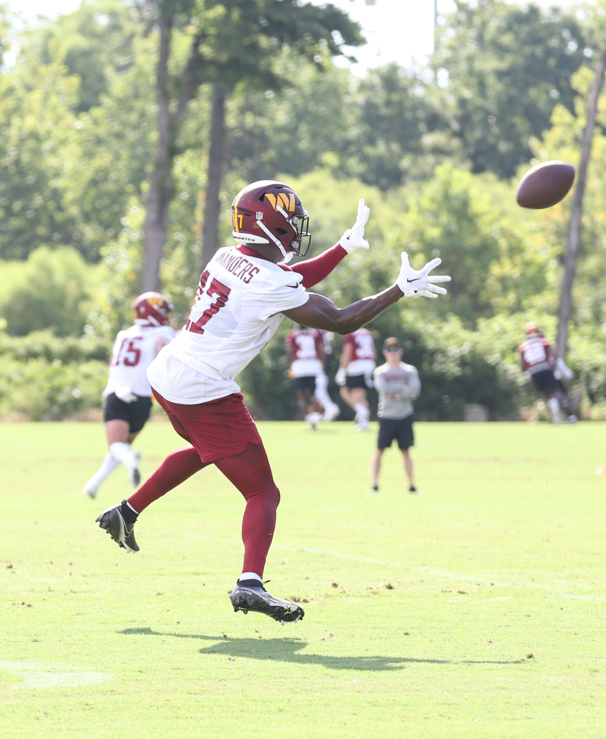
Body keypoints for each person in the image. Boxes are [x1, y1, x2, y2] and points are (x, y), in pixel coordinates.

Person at [95, 182, 449, 624]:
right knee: (263, 490)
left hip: (169, 375)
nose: (297, 230)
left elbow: (290, 280)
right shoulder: (267, 282)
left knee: (206, 452)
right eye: (291, 221)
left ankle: (125, 512)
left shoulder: (227, 255)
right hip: (204, 386)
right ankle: (250, 584)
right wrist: (398, 289)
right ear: (270, 225)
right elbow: (339, 321)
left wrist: (344, 247)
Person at [83, 292, 176, 498]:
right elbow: (168, 358)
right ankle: (93, 486)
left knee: (117, 447)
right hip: (142, 398)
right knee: (122, 446)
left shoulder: (123, 334)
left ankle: (130, 460)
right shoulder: (164, 332)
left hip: (117, 392)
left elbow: (113, 363)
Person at [370, 338, 420, 494]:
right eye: (390, 350)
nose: (393, 353)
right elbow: (384, 389)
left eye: (396, 350)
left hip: (405, 415)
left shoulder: (410, 370)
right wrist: (402, 389)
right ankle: (374, 485)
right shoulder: (381, 371)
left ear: (401, 351)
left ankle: (411, 485)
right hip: (387, 415)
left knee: (406, 451)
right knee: (380, 450)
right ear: (385, 353)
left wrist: (398, 394)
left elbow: (415, 390)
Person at [519, 322, 572, 424]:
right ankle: (558, 409)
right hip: (546, 368)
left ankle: (555, 414)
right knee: (555, 392)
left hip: (533, 372)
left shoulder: (523, 347)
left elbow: (523, 366)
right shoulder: (543, 342)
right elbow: (554, 355)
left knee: (545, 394)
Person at [285, 323, 328, 429]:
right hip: (314, 365)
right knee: (313, 393)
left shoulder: (293, 333)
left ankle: (311, 419)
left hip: (300, 366)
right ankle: (317, 411)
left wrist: (292, 365)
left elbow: (290, 351)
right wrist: (321, 365)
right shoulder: (316, 332)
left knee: (302, 396)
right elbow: (322, 349)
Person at [336, 327, 376, 430]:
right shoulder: (367, 332)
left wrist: (341, 370)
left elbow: (347, 353)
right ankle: (365, 423)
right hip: (369, 364)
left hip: (356, 365)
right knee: (360, 394)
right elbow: (374, 353)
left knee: (345, 391)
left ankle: (361, 411)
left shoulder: (350, 334)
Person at [312, 329, 340, 423]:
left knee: (319, 389)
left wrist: (321, 367)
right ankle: (324, 411)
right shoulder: (322, 331)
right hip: (323, 360)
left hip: (321, 361)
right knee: (317, 390)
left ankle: (330, 408)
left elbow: (322, 349)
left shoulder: (317, 331)